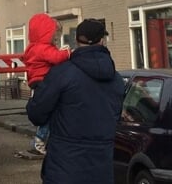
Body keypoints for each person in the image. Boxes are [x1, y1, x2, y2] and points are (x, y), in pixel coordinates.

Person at [26, 18, 125, 184]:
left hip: (64, 170)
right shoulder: (117, 80)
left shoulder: (61, 73)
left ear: (77, 41)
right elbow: (116, 116)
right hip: (101, 171)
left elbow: (36, 114)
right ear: (102, 41)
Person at [22, 13, 71, 155]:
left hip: (37, 82)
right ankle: (40, 140)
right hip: (45, 82)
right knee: (51, 111)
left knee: (48, 111)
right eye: (55, 34)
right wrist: (68, 53)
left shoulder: (33, 47)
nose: (56, 37)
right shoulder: (44, 48)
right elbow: (56, 58)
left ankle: (42, 140)